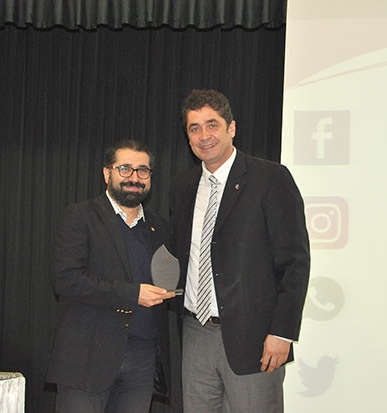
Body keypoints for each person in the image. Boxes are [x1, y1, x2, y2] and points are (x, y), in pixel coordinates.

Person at [170, 89, 310, 412]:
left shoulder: (270, 178)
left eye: (212, 125)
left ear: (231, 128)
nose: (204, 136)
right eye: (194, 128)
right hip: (195, 333)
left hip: (255, 339)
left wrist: (282, 332)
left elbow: (295, 262)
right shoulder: (181, 187)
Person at [46, 140, 176, 413]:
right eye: (125, 169)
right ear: (107, 173)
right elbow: (67, 279)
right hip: (87, 358)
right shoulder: (80, 216)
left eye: (143, 171)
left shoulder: (160, 227)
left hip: (143, 360)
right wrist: (133, 294)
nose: (134, 178)